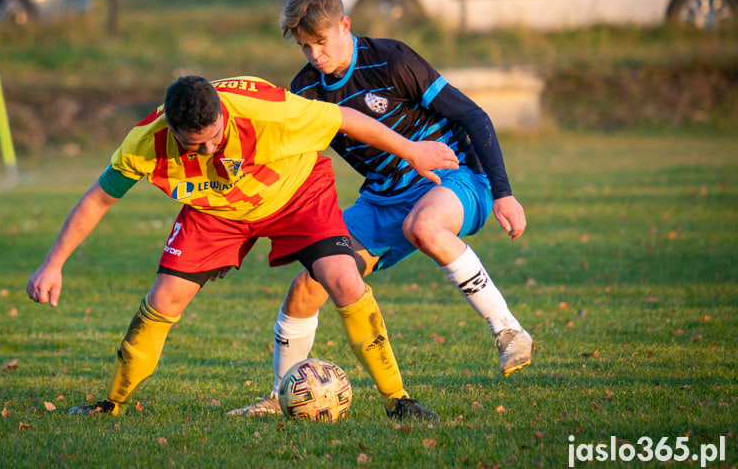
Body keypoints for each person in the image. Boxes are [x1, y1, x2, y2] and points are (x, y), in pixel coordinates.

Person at [26, 74, 459, 420]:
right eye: (196, 144)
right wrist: (53, 264)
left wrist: (410, 150)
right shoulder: (145, 142)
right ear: (171, 127)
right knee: (164, 297)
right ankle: (112, 403)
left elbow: (344, 117)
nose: (211, 148)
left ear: (221, 111)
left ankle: (398, 400)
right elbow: (100, 198)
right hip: (217, 210)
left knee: (344, 279)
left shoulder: (267, 110)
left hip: (294, 192)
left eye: (216, 135)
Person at [228, 0, 532, 417]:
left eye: (321, 42)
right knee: (308, 286)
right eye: (305, 47)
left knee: (423, 226)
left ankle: (508, 331)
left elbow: (471, 114)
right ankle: (281, 397)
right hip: (381, 199)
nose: (315, 56)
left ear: (345, 25)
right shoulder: (305, 91)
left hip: (454, 178)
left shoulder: (392, 59)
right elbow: (284, 164)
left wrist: (503, 193)